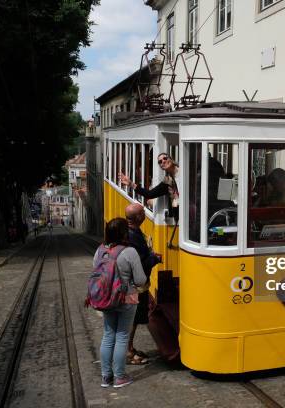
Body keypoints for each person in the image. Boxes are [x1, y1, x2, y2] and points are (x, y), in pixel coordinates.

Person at [95, 218, 147, 388]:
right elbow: (140, 280)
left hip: (106, 298)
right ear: (124, 233)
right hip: (127, 298)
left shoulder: (100, 250)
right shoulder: (130, 252)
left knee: (108, 335)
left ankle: (106, 377)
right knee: (122, 336)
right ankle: (120, 377)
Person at [125, 203, 162, 365]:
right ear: (139, 217)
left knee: (131, 318)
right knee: (131, 319)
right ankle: (127, 352)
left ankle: (129, 348)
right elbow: (140, 263)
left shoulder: (130, 231)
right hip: (135, 287)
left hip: (133, 285)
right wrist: (155, 258)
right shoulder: (132, 236)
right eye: (143, 212)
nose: (145, 214)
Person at [118, 152, 179, 219]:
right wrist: (131, 184)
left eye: (165, 158)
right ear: (161, 167)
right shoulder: (168, 180)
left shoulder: (183, 171)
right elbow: (150, 194)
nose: (163, 161)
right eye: (160, 162)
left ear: (171, 159)